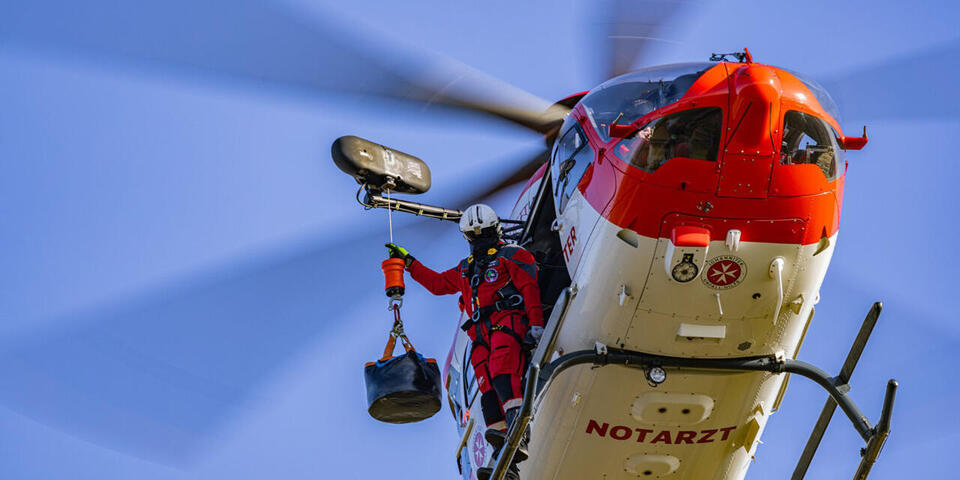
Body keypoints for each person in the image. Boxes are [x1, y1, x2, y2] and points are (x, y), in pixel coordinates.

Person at [386, 203, 544, 480]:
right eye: (476, 235)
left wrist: (536, 325)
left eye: (484, 234)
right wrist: (410, 263)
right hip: (479, 336)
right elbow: (436, 284)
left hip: (505, 323)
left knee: (503, 373)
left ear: (495, 231)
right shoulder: (464, 270)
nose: (481, 240)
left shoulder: (513, 256)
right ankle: (504, 453)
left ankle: (519, 431)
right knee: (486, 389)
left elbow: (529, 288)